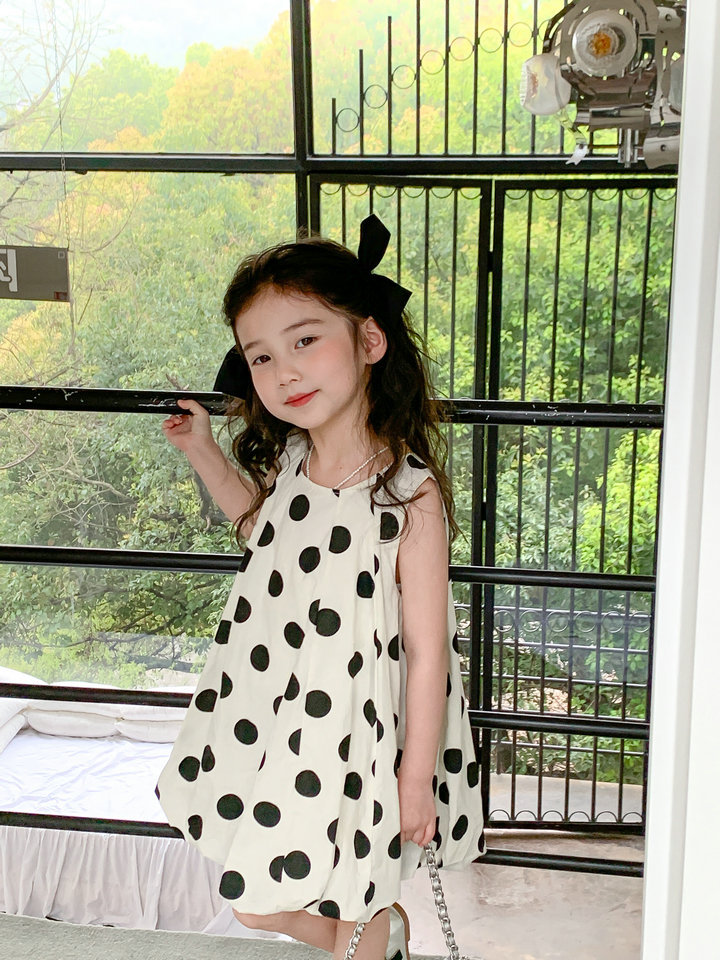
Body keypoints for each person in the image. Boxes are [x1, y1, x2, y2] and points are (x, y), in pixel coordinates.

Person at [154, 215, 485, 960]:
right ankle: (375, 937)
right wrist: (203, 450)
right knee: (255, 903)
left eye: (306, 340)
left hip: (366, 732)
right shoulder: (293, 462)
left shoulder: (408, 493)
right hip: (286, 716)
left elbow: (429, 652)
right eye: (262, 356)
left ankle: (372, 937)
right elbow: (265, 534)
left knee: (353, 897)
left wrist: (415, 777)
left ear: (369, 341)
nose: (285, 372)